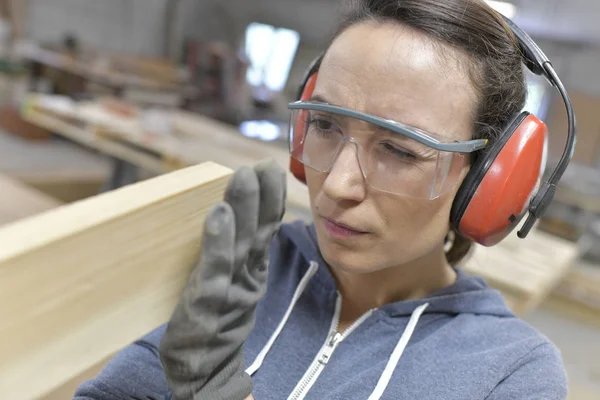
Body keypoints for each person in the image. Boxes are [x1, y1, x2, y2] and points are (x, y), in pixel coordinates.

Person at [74, 0, 572, 399]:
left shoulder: (511, 373)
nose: (336, 185)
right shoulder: (240, 272)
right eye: (326, 125)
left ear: (488, 184)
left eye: (398, 150)